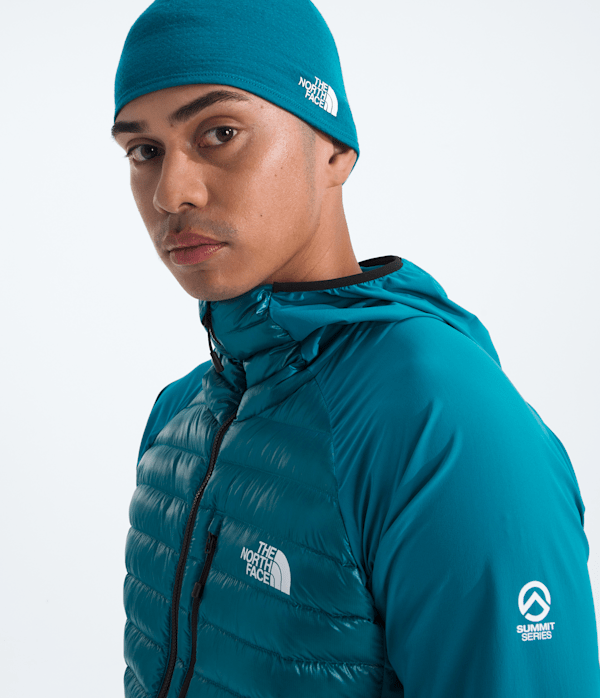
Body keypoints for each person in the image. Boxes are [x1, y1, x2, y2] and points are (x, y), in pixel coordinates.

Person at [111, 1, 600, 696]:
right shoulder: (179, 415)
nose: (171, 193)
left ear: (335, 150)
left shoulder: (442, 420)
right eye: (144, 151)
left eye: (220, 133)